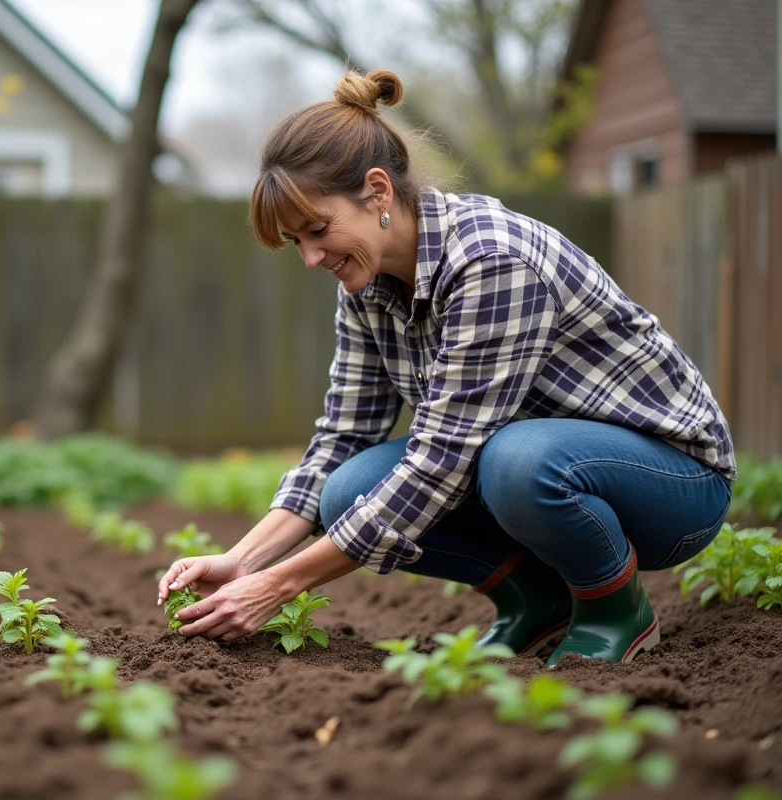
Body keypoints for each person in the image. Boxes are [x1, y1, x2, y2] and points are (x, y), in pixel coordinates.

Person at [156, 68, 736, 666]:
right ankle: (538, 602)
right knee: (347, 489)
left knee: (518, 460)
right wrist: (244, 560)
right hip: (546, 467)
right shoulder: (364, 283)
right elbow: (343, 437)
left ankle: (617, 610)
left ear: (378, 191)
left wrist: (277, 586)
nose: (309, 258)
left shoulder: (491, 261)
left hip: (674, 485)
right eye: (295, 241)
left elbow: (442, 460)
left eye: (318, 230)